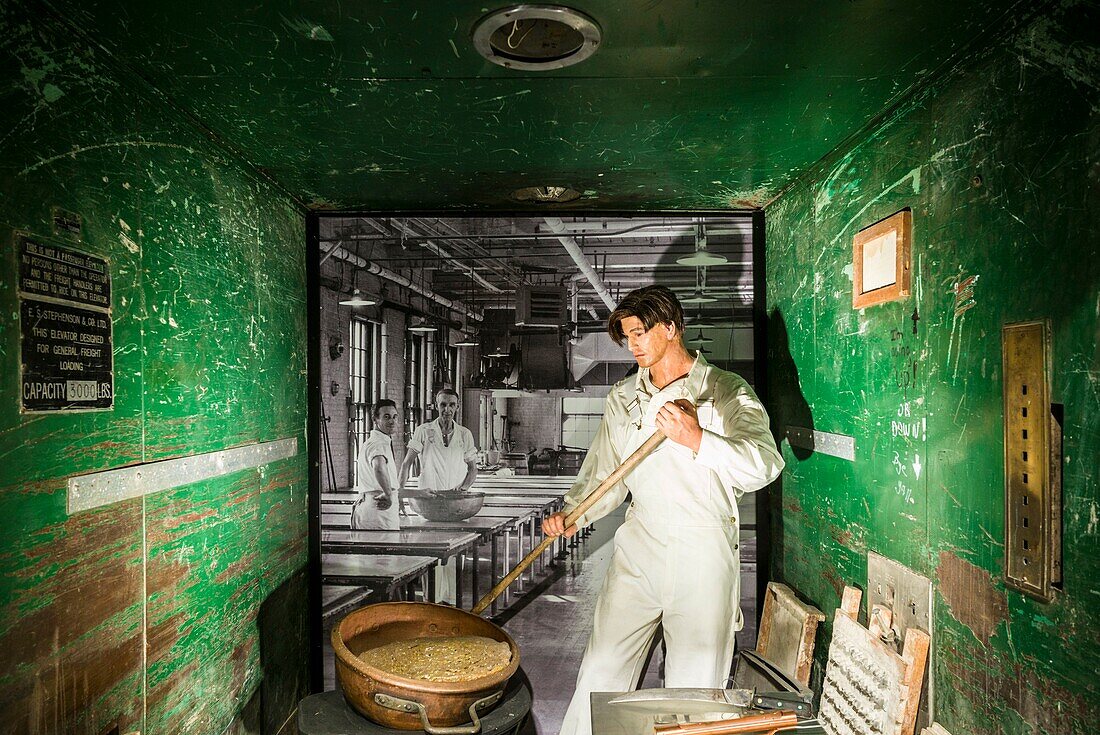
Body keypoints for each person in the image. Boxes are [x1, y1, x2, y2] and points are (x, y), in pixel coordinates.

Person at [542, 285, 784, 735]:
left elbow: (763, 464)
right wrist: (573, 513)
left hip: (703, 553)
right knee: (600, 670)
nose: (632, 344)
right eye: (626, 336)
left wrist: (697, 438)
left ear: (671, 327)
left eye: (640, 332)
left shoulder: (724, 391)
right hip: (641, 547)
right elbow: (605, 475)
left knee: (694, 690)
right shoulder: (623, 398)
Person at [399, 388, 479, 603]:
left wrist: (462, 490)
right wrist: (400, 493)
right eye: (443, 404)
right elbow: (407, 463)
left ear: (457, 407)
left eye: (452, 405)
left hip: (455, 505)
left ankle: (451, 603)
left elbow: (473, 469)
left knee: (454, 553)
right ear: (436, 406)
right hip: (429, 503)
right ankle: (431, 602)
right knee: (431, 553)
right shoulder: (424, 431)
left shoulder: (464, 434)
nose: (447, 409)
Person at [351, 399, 401, 531]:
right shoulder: (378, 443)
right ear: (375, 419)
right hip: (379, 509)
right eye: (386, 417)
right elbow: (378, 467)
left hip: (372, 506)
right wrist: (388, 494)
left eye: (394, 417)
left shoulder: (374, 441)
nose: (392, 421)